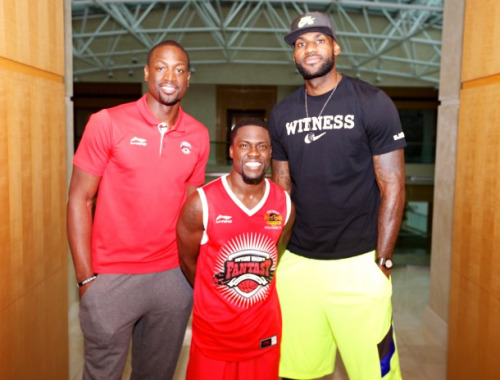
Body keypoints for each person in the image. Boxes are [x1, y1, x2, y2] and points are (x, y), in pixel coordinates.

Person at [269, 11, 407, 380]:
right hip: (296, 265)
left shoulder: (372, 102)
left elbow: (392, 183)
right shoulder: (282, 114)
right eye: (300, 44)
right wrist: (276, 256)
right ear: (293, 55)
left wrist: (384, 262)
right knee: (300, 371)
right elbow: (281, 190)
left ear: (336, 46)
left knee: (375, 373)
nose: (308, 49)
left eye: (318, 40)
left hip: (359, 264)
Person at [67, 40, 210, 380]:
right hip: (111, 278)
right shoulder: (107, 123)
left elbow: (191, 217)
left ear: (189, 78)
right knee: (102, 374)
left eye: (178, 69)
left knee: (156, 375)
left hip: (172, 280)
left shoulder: (199, 135)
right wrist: (86, 278)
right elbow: (79, 199)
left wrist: (190, 277)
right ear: (147, 73)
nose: (169, 76)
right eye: (161, 67)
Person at [176, 118, 295, 380]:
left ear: (270, 152)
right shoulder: (201, 204)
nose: (254, 153)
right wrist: (213, 294)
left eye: (262, 146)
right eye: (244, 145)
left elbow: (278, 251)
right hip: (214, 336)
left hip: (264, 334)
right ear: (231, 150)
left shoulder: (284, 204)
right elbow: (187, 260)